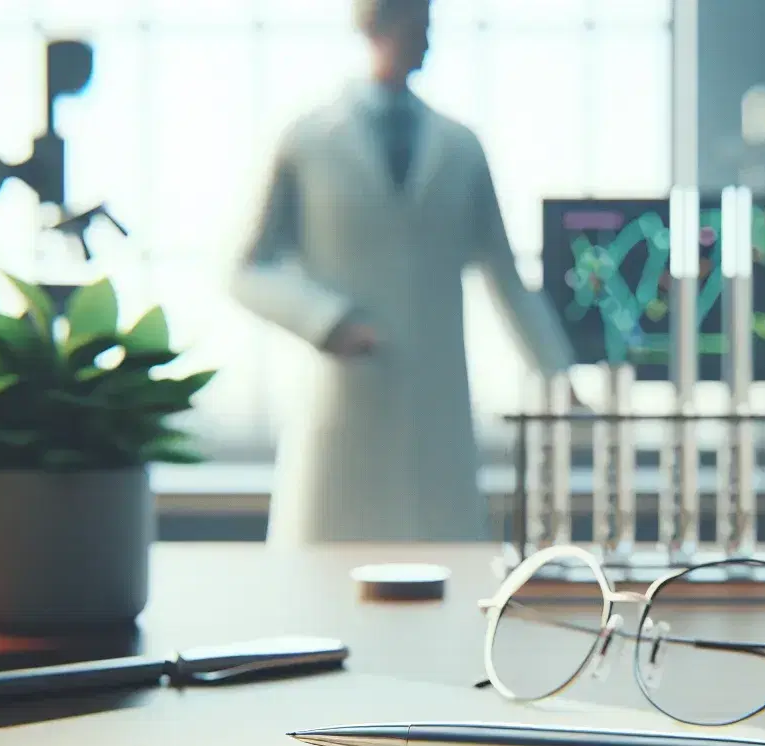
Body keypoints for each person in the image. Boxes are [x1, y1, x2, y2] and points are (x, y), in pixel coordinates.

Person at [231, 0, 576, 545]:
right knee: (323, 579)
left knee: (448, 581)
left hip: (435, 405)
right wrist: (328, 320)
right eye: (416, 23)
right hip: (342, 396)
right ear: (378, 24)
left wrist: (558, 374)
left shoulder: (461, 148)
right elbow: (247, 268)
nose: (426, 38)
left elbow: (505, 276)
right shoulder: (308, 139)